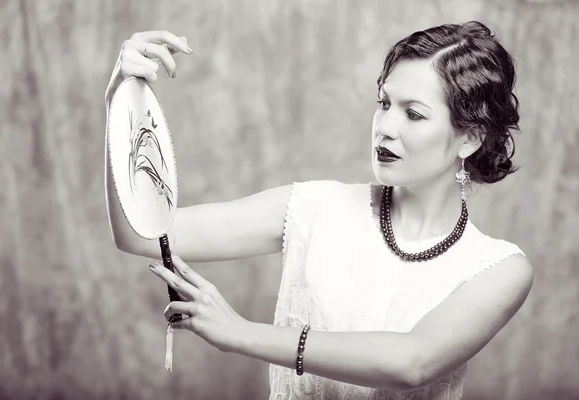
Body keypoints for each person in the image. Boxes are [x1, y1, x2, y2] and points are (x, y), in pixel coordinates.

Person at [105, 21, 534, 399]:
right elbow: (137, 233)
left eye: (414, 114)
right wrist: (119, 99)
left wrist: (243, 333)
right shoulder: (314, 208)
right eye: (384, 103)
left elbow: (412, 363)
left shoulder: (497, 268)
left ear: (469, 138)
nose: (385, 127)